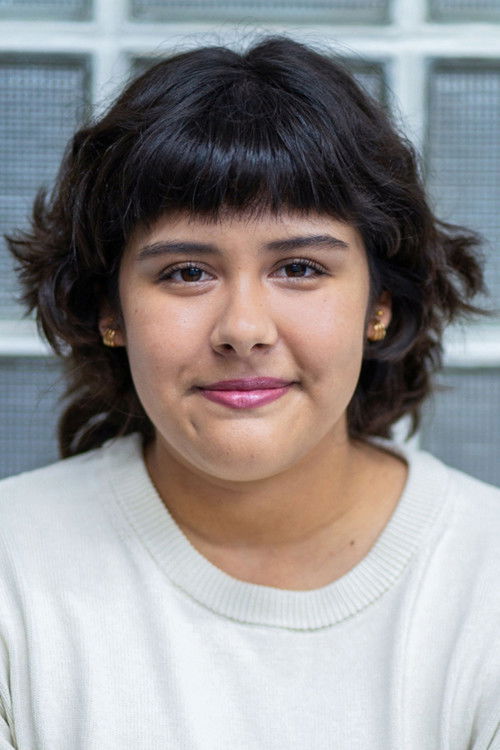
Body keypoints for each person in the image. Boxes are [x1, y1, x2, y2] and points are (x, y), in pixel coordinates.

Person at [1, 33, 499, 750]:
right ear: (110, 311)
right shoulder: (13, 565)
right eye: (186, 273)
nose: (243, 329)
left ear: (380, 304)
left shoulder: (486, 580)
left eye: (299, 268)